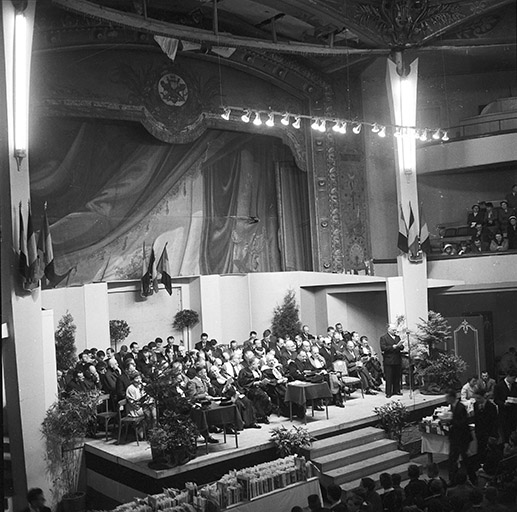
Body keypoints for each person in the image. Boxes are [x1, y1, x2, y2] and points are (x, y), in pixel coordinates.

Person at [445, 389, 475, 484]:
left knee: (465, 459)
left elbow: (463, 423)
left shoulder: (460, 407)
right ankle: (452, 479)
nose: (446, 400)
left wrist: (451, 421)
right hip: (455, 438)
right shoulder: (452, 407)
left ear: (452, 397)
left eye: (447, 398)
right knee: (452, 459)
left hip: (462, 438)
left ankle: (472, 478)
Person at [472, 387, 498, 466]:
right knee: (480, 450)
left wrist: (492, 435)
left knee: (489, 453)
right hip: (479, 432)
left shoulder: (491, 407)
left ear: (484, 397)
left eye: (479, 398)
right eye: (475, 398)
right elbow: (476, 419)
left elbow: (494, 422)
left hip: (489, 433)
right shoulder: (475, 405)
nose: (477, 400)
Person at [380, 323, 404, 398]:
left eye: (395, 330)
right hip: (389, 359)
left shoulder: (397, 337)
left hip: (397, 358)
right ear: (389, 330)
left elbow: (402, 347)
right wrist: (392, 347)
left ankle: (396, 390)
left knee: (397, 375)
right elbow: (383, 348)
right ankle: (388, 392)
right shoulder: (383, 338)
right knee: (389, 376)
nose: (395, 331)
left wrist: (399, 346)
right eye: (393, 330)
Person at [493, 368, 517, 442]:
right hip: (504, 414)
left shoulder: (515, 385)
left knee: (514, 435)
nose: (514, 380)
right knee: (506, 434)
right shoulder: (498, 386)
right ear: (508, 376)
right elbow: (496, 400)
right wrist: (503, 404)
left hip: (514, 413)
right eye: (513, 378)